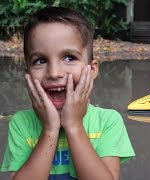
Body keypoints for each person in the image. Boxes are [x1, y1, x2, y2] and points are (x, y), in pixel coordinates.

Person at [0, 6, 135, 180]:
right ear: (28, 74)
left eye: (69, 58)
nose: (54, 73)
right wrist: (50, 128)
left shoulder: (108, 122)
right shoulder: (21, 124)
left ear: (92, 69)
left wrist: (74, 125)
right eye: (40, 60)